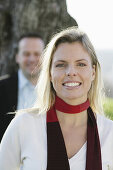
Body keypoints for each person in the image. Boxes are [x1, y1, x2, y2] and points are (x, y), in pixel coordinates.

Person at [0, 27, 113, 170]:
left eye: (81, 64)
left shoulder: (110, 133)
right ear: (49, 74)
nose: (71, 72)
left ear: (93, 72)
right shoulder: (23, 125)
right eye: (61, 65)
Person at [0, 33, 45, 141]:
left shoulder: (56, 89)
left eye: (36, 54)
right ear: (17, 57)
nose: (32, 59)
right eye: (26, 54)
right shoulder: (1, 88)